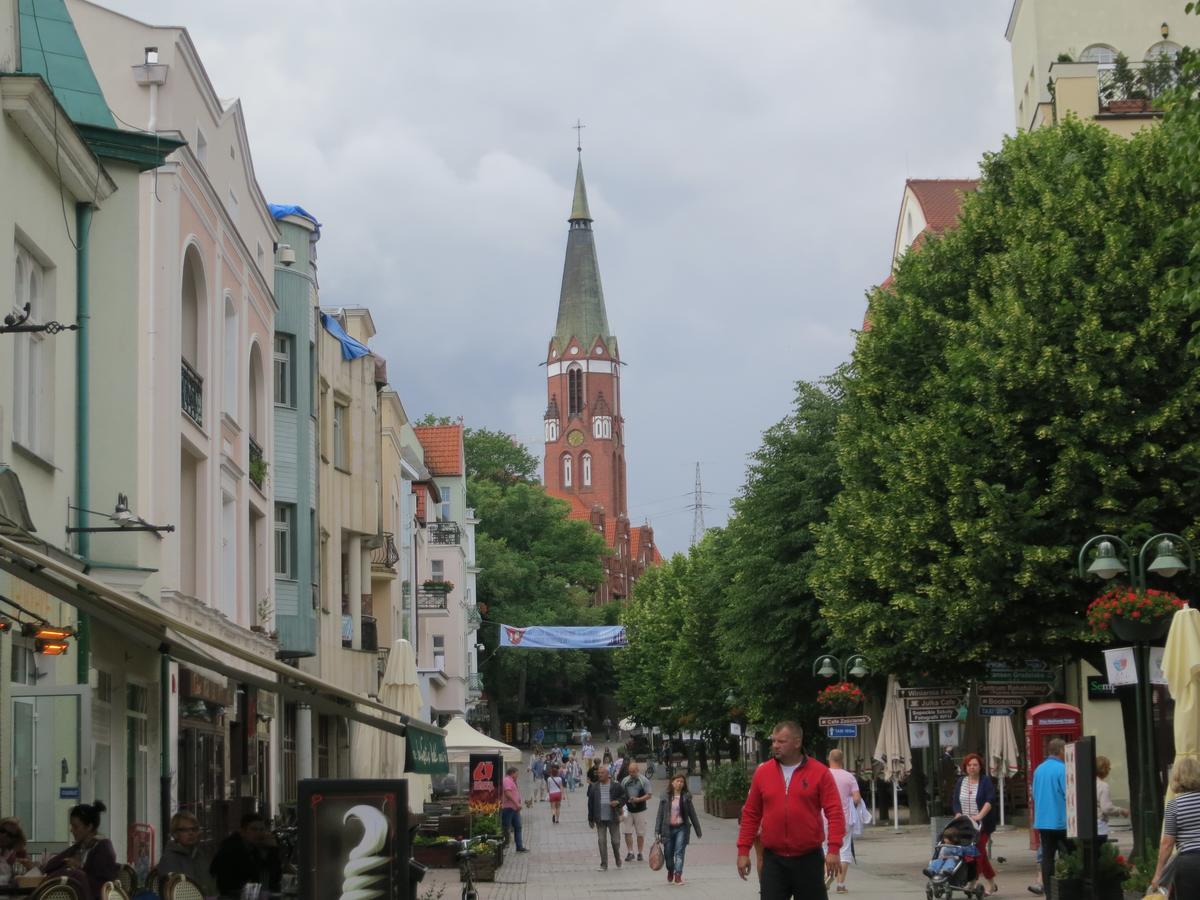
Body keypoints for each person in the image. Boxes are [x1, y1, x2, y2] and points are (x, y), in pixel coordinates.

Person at [737, 721, 844, 900]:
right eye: (774, 741)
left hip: (808, 858)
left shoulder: (819, 772)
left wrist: (833, 850)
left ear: (797, 742)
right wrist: (743, 851)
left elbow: (835, 812)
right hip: (774, 859)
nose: (775, 746)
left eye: (781, 741)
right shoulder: (763, 772)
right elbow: (751, 813)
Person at [44, 800, 120, 899]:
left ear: (89, 827)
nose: (71, 830)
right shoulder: (80, 847)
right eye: (71, 826)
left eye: (75, 827)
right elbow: (50, 866)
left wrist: (79, 868)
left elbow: (101, 886)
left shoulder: (103, 848)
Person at [1151, 755, 1200, 896]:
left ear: (1177, 777)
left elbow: (1167, 843)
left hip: (1188, 863)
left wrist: (1158, 873)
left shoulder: (1175, 805)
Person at [951, 752, 999, 896]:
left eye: (975, 765)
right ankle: (992, 884)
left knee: (977, 851)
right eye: (969, 765)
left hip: (982, 824)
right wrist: (958, 813)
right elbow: (955, 801)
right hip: (966, 824)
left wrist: (979, 816)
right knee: (981, 855)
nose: (972, 768)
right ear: (965, 767)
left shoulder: (985, 781)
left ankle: (971, 882)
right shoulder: (961, 781)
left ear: (980, 767)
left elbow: (990, 800)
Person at [209, 812, 282, 898]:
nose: (259, 833)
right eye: (254, 829)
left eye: (262, 829)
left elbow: (274, 879)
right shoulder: (230, 850)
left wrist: (272, 851)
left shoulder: (257, 847)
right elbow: (228, 886)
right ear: (243, 832)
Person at [1032, 738, 1071, 895]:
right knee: (1069, 854)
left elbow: (1034, 794)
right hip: (1061, 821)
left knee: (1047, 857)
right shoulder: (1063, 769)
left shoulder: (1039, 769)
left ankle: (1049, 891)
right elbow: (1069, 794)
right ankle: (1067, 887)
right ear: (1061, 751)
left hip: (1043, 821)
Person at [826, 749, 864, 895]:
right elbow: (856, 798)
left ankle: (827, 879)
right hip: (844, 818)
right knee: (845, 849)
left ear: (829, 759)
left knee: (825, 849)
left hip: (824, 817)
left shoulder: (824, 774)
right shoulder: (849, 777)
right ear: (842, 760)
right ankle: (841, 884)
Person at [655, 772, 702, 885]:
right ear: (672, 782)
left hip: (682, 828)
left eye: (682, 782)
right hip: (667, 829)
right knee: (668, 854)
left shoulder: (686, 797)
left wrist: (698, 829)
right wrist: (657, 831)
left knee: (679, 852)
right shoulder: (665, 797)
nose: (680, 783)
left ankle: (678, 875)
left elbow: (692, 814)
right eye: (677, 781)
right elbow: (660, 815)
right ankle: (671, 870)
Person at [156, 811, 217, 896]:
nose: (191, 833)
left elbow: (211, 887)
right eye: (184, 830)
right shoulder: (169, 859)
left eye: (194, 829)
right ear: (175, 834)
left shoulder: (199, 855)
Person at [586, 764, 628, 871]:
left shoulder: (615, 786)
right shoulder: (594, 787)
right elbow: (590, 804)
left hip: (613, 818)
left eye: (602, 773)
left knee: (615, 841)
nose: (599, 775)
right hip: (600, 819)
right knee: (601, 841)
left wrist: (618, 802)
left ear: (608, 774)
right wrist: (590, 819)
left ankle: (617, 858)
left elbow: (624, 797)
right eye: (598, 773)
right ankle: (604, 864)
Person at [621, 761, 653, 862]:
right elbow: (621, 794)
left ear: (638, 770)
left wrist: (638, 799)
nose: (632, 774)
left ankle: (640, 852)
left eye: (634, 772)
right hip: (627, 809)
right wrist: (621, 807)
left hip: (640, 810)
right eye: (630, 772)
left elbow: (649, 795)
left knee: (640, 833)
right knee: (627, 831)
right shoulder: (625, 780)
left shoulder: (644, 780)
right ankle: (630, 852)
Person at [1094, 756, 1128, 840]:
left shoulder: (1086, 783)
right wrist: (1121, 810)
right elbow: (1106, 808)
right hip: (1099, 825)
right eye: (1108, 768)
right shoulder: (1103, 786)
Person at [501, 766, 530, 853]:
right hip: (508, 808)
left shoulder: (512, 781)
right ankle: (504, 845)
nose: (518, 775)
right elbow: (508, 793)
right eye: (517, 773)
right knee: (506, 827)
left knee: (518, 827)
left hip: (514, 808)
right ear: (512, 773)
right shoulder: (507, 780)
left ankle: (519, 846)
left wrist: (518, 804)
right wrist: (516, 803)